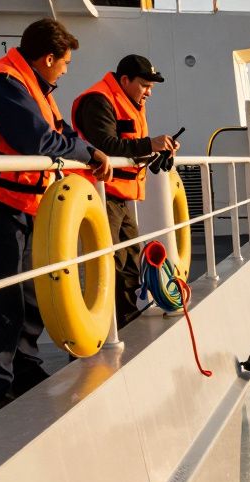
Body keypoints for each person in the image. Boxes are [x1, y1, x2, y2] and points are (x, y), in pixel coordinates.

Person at [0, 18, 112, 419]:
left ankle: (24, 370)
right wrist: (88, 154)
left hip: (18, 204)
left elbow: (57, 133)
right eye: (65, 63)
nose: (66, 70)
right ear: (48, 57)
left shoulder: (32, 87)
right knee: (0, 299)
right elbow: (37, 140)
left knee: (28, 294)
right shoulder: (1, 84)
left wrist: (83, 151)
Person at [71, 54, 180, 328]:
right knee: (111, 264)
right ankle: (110, 329)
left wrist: (159, 151)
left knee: (130, 260)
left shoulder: (128, 102)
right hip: (100, 193)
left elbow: (132, 148)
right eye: (144, 85)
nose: (149, 92)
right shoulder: (98, 100)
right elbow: (104, 145)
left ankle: (127, 320)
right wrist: (149, 145)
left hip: (118, 196)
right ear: (125, 80)